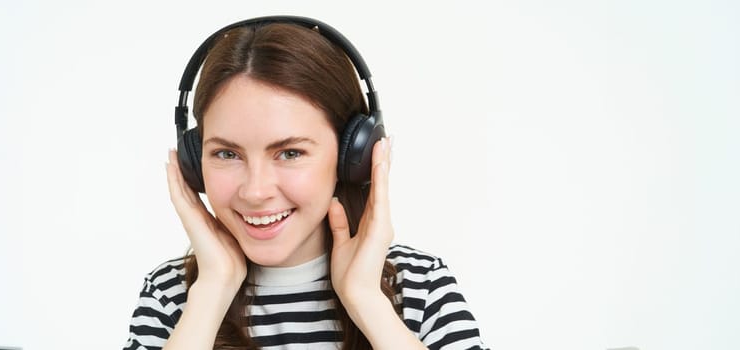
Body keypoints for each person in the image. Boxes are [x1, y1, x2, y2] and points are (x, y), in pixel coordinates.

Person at [123, 16, 488, 350]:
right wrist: (213, 290)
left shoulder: (419, 285)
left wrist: (366, 300)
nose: (255, 191)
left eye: (290, 153)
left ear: (353, 157)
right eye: (227, 154)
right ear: (193, 161)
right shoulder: (174, 295)